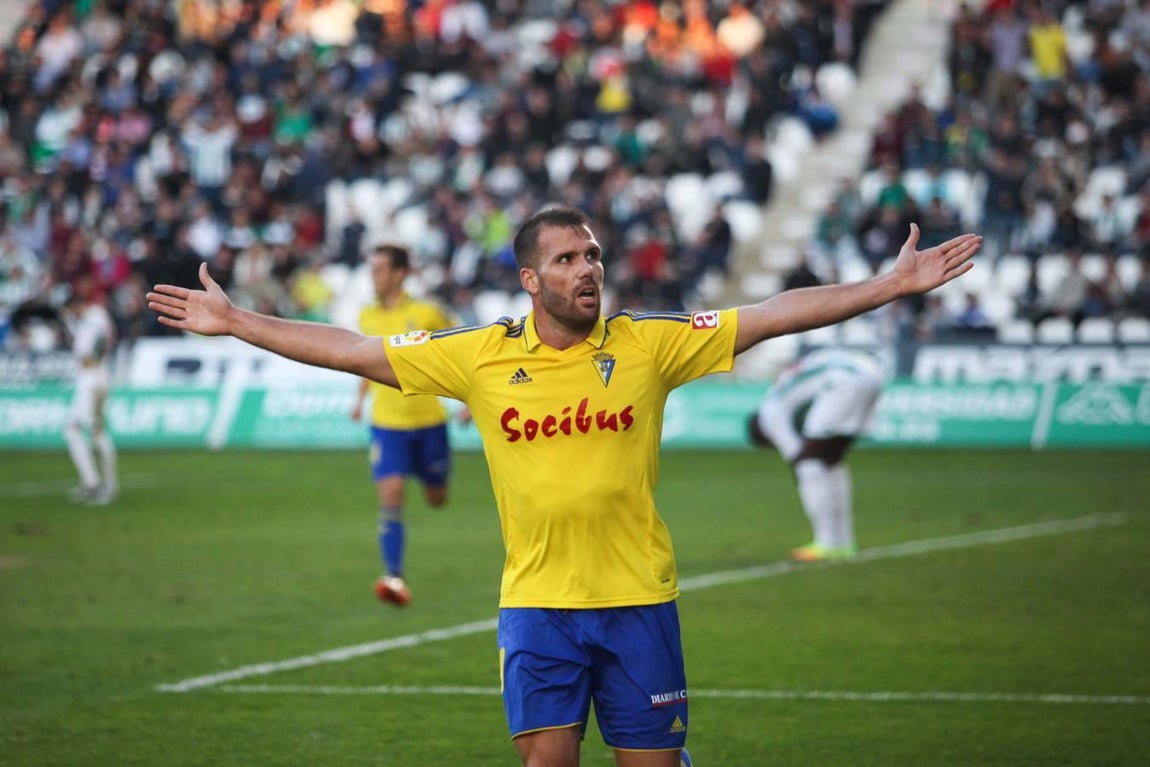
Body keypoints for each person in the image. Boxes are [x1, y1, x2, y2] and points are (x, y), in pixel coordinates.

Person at [147, 206, 980, 767]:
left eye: (593, 256)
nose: (589, 269)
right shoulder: (478, 356)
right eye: (567, 259)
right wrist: (238, 321)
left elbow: (771, 313)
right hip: (538, 603)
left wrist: (886, 287)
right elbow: (352, 350)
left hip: (637, 600)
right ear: (530, 279)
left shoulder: (650, 343)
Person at [349, 244, 466, 607]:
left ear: (400, 273)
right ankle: (394, 577)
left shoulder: (427, 312)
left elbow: (466, 346)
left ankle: (431, 476)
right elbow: (366, 361)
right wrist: (359, 398)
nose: (374, 277)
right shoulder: (367, 316)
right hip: (387, 424)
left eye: (380, 270)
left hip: (429, 422)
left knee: (437, 498)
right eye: (371, 270)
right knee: (391, 495)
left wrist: (468, 400)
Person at [747, 347, 886, 562]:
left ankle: (826, 543)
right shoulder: (780, 392)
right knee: (832, 461)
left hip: (843, 382)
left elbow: (796, 457)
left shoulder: (770, 414)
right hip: (870, 374)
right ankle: (844, 543)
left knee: (809, 464)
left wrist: (803, 481)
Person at [63, 275, 118, 506]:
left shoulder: (90, 319)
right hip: (101, 374)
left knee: (82, 430)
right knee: (87, 430)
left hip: (91, 377)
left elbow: (85, 353)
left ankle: (99, 485)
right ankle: (97, 483)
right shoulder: (100, 315)